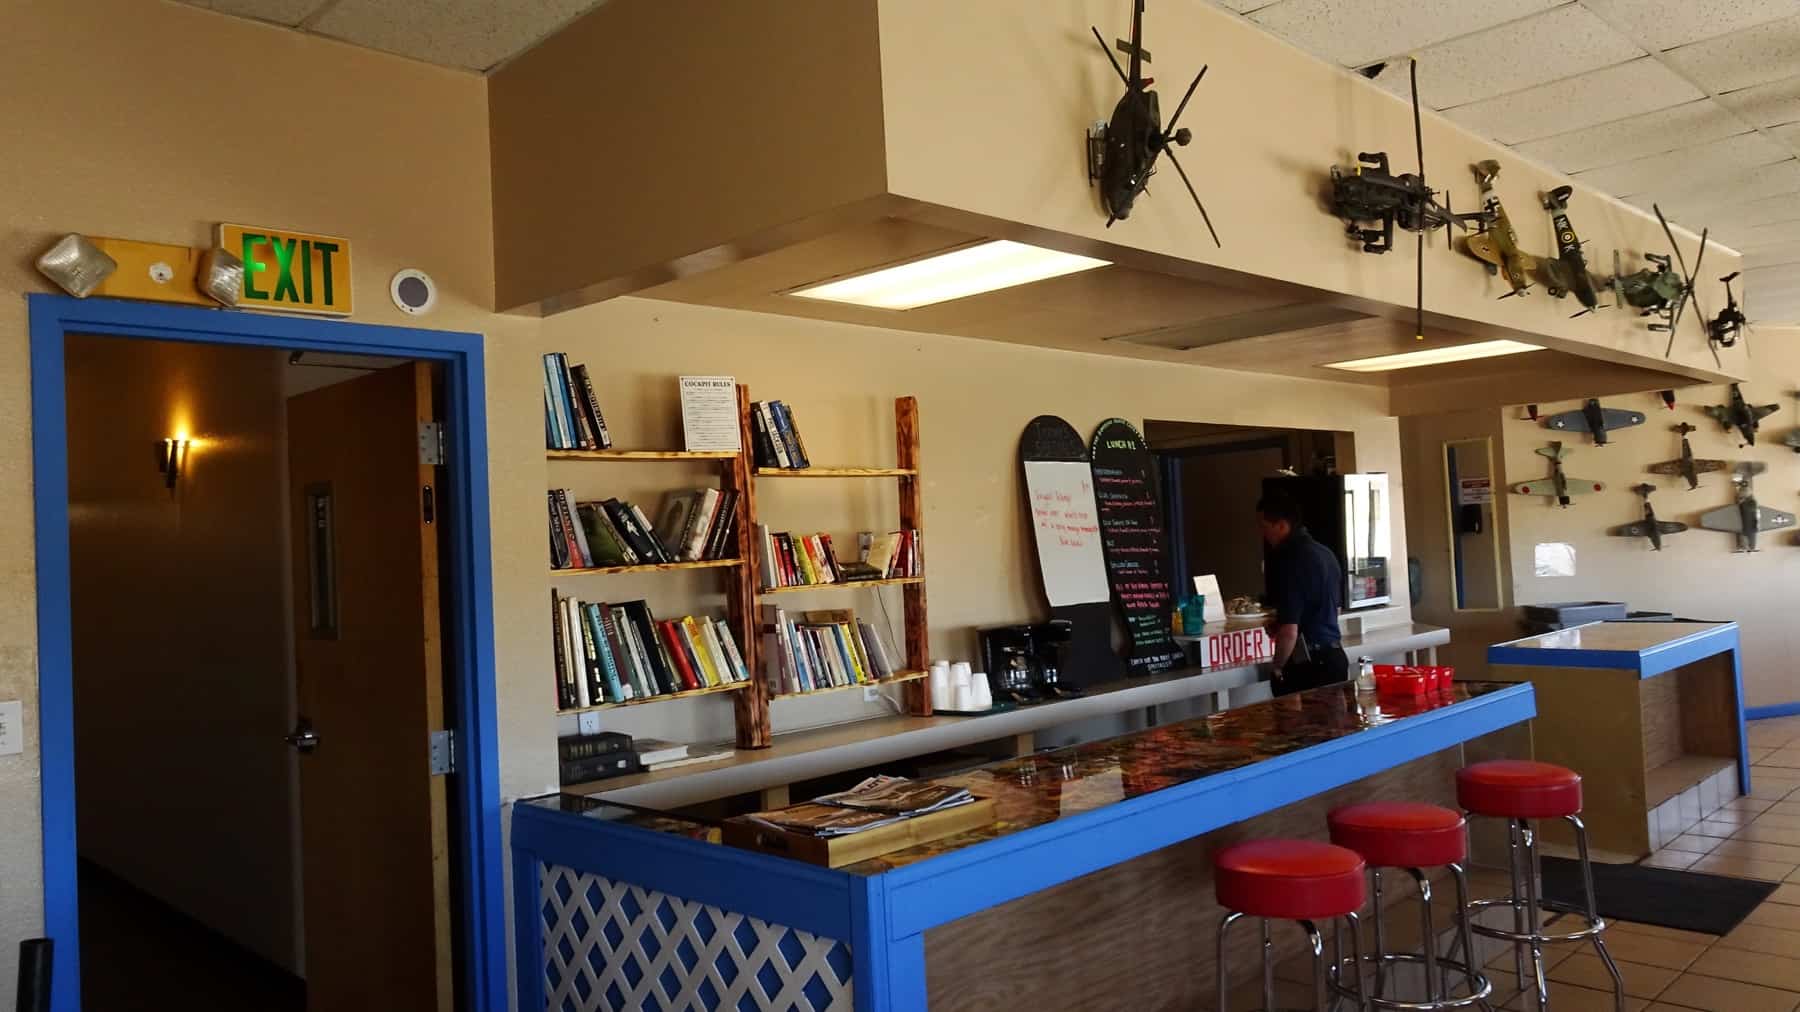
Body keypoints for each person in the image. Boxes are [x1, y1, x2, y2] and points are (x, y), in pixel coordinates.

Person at [1256, 491, 1347, 694]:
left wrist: (1277, 667)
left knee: (1301, 717)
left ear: (1282, 525)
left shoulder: (1290, 562)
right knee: (1333, 715)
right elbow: (1334, 610)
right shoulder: (1326, 554)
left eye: (1264, 526)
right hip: (1334, 658)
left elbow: (1289, 632)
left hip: (1309, 667)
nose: (1263, 534)